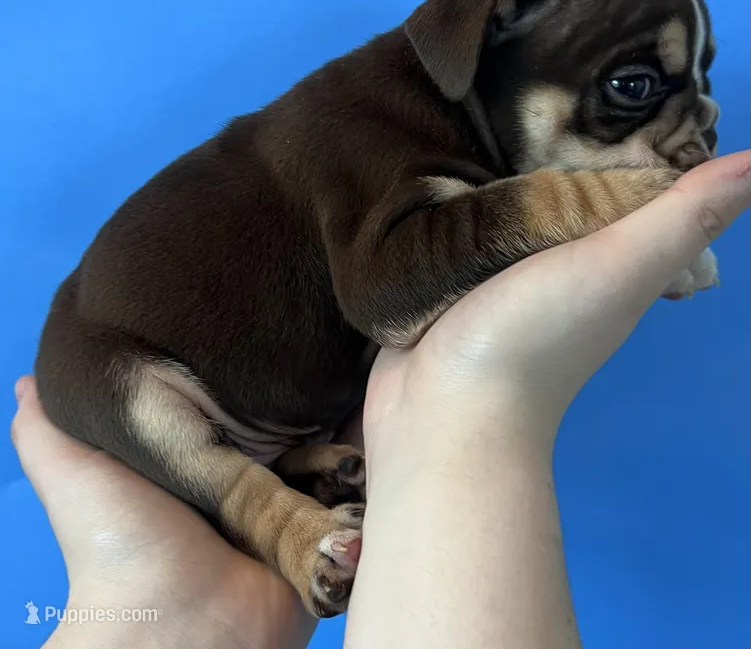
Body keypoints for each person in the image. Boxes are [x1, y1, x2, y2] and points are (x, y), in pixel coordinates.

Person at [11, 149, 750, 649]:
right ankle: (272, 508)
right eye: (629, 91)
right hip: (153, 374)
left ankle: (295, 475)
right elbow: (397, 293)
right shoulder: (373, 139)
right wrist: (589, 199)